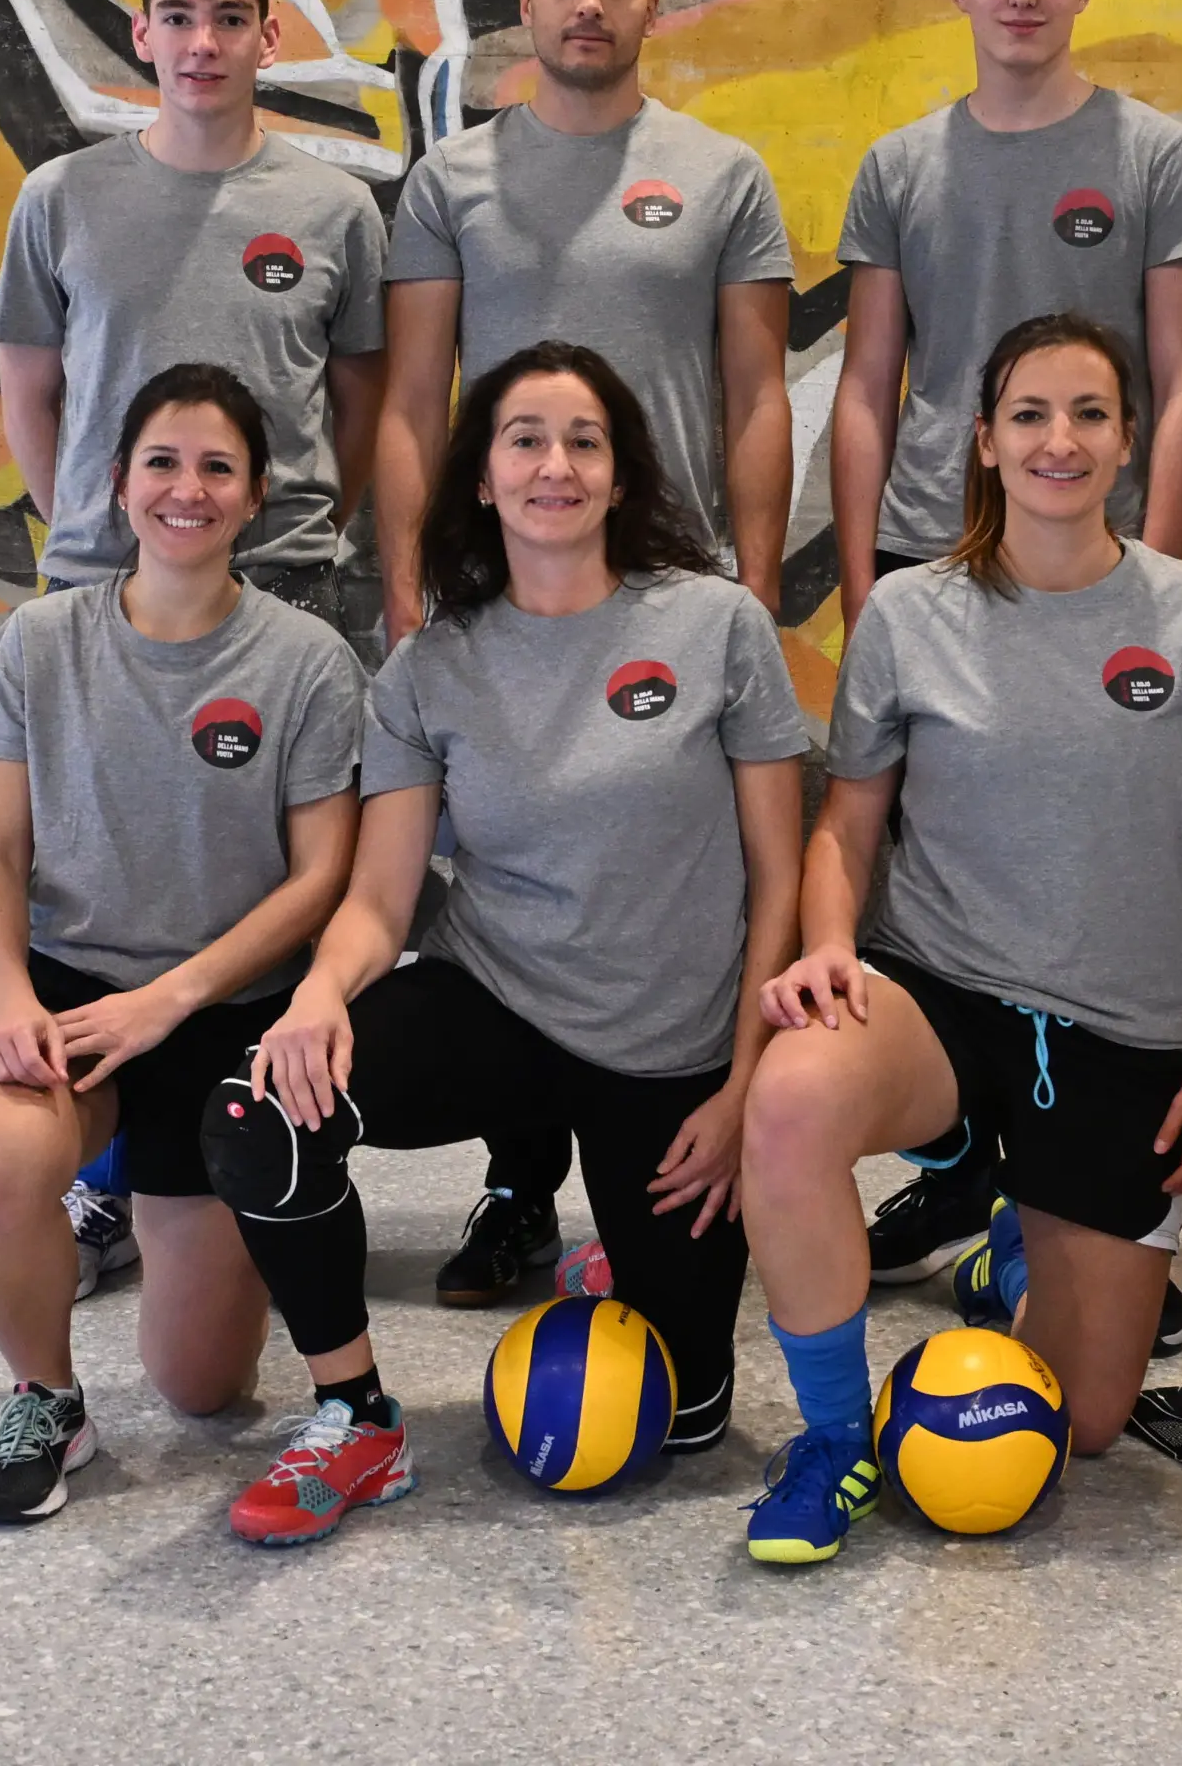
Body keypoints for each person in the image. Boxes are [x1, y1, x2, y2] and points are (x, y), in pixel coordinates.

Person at [203, 342, 808, 1549]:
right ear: (482, 477)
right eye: (524, 439)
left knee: (684, 1425)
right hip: (504, 1002)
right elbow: (380, 898)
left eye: (584, 440)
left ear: (622, 475)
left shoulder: (717, 627)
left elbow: (779, 878)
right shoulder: (432, 667)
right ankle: (357, 1415)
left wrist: (747, 1090)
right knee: (257, 1111)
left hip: (671, 1045)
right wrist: (320, 994)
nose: (555, 465)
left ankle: (614, 1258)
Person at [737, 315, 1182, 1565]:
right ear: (983, 442)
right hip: (942, 990)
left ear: (1130, 441)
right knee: (792, 1100)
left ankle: (1013, 1245)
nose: (1060, 439)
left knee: (1083, 1424)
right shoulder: (910, 614)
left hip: (1119, 1032)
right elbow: (846, 827)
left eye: (1091, 412)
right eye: (1029, 413)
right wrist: (827, 946)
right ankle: (830, 1442)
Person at [375, 0, 796, 1305]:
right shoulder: (452, 179)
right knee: (504, 878)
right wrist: (404, 586)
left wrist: (748, 578)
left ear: (651, 6)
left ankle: (673, 1137)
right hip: (502, 584)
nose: (591, 3)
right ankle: (516, 1190)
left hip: (670, 586)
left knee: (651, 882)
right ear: (530, 4)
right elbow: (413, 396)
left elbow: (755, 397)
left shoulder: (723, 173)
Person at [829, 0, 1182, 1321]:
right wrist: (868, 565)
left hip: (1099, 569)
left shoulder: (1149, 155)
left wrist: (1161, 569)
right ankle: (958, 1144)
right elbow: (869, 382)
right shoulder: (905, 164)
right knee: (911, 876)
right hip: (937, 564)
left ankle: (1063, 1172)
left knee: (1083, 865)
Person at [0, 0, 390, 1289]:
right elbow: (33, 388)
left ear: (270, 34)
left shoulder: (337, 209)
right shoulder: (64, 198)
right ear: (144, 34)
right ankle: (111, 1170)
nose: (204, 39)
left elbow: (359, 399)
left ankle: (262, 1150)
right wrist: (92, 536)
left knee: (274, 883)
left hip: (287, 581)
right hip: (110, 582)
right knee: (110, 874)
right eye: (179, 12)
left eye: (231, 15)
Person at [0, 365, 366, 1524]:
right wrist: (10, 997)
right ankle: (46, 1399)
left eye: (217, 466)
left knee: (203, 1391)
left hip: (226, 1013)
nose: (189, 488)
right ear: (119, 486)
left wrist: (172, 1001)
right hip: (73, 993)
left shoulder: (309, 662)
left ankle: (158, 1207)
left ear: (257, 494)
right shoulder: (40, 641)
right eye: (162, 463)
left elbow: (324, 875)